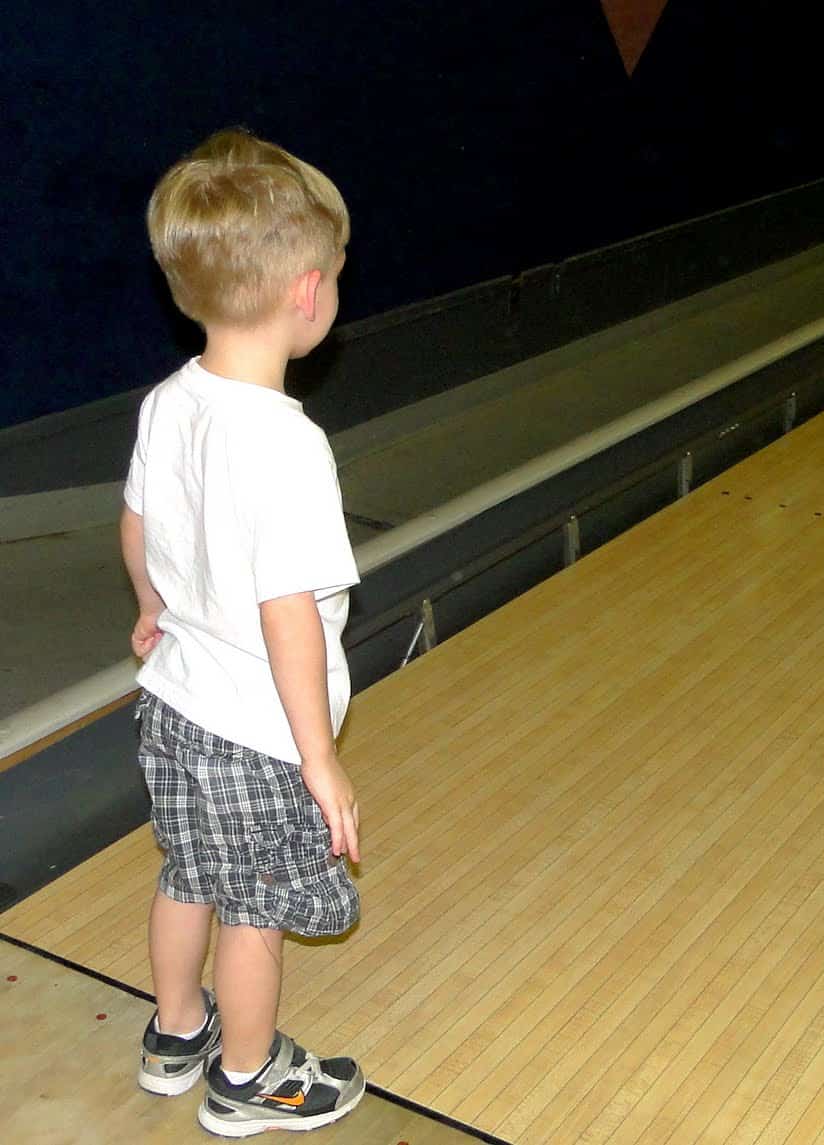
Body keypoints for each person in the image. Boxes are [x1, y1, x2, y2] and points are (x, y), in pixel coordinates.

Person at [122, 127, 365, 1137]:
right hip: (259, 732)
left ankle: (175, 1032)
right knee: (254, 908)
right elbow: (289, 613)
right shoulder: (288, 444)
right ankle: (248, 1076)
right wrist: (320, 759)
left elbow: (137, 520)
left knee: (188, 872)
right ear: (307, 293)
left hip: (174, 705)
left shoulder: (169, 399)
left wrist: (150, 603)